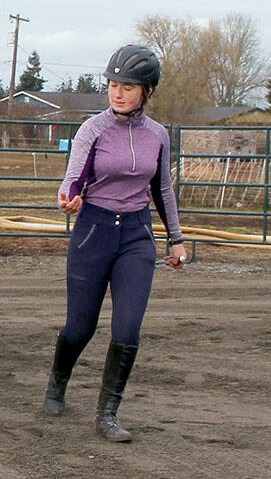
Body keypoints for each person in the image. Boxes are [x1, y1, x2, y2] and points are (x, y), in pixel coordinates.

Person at [44, 44, 188, 442]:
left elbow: (163, 189)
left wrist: (175, 238)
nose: (117, 92)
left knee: (128, 329)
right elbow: (73, 178)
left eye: (127, 86)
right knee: (80, 327)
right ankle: (57, 383)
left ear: (147, 91)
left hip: (137, 236)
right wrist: (67, 198)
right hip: (94, 230)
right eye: (113, 84)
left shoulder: (158, 135)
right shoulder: (92, 129)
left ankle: (108, 413)